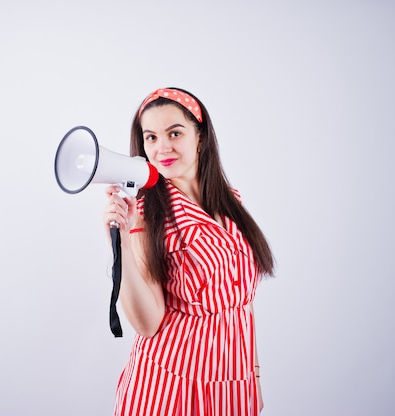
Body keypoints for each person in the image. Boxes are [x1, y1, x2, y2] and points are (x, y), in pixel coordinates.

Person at [102, 87, 275, 415]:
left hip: (231, 382)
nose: (161, 147)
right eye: (150, 137)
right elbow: (147, 324)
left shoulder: (229, 201)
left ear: (201, 137)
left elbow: (240, 307)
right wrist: (122, 240)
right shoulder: (145, 215)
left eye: (174, 133)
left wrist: (252, 382)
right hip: (171, 386)